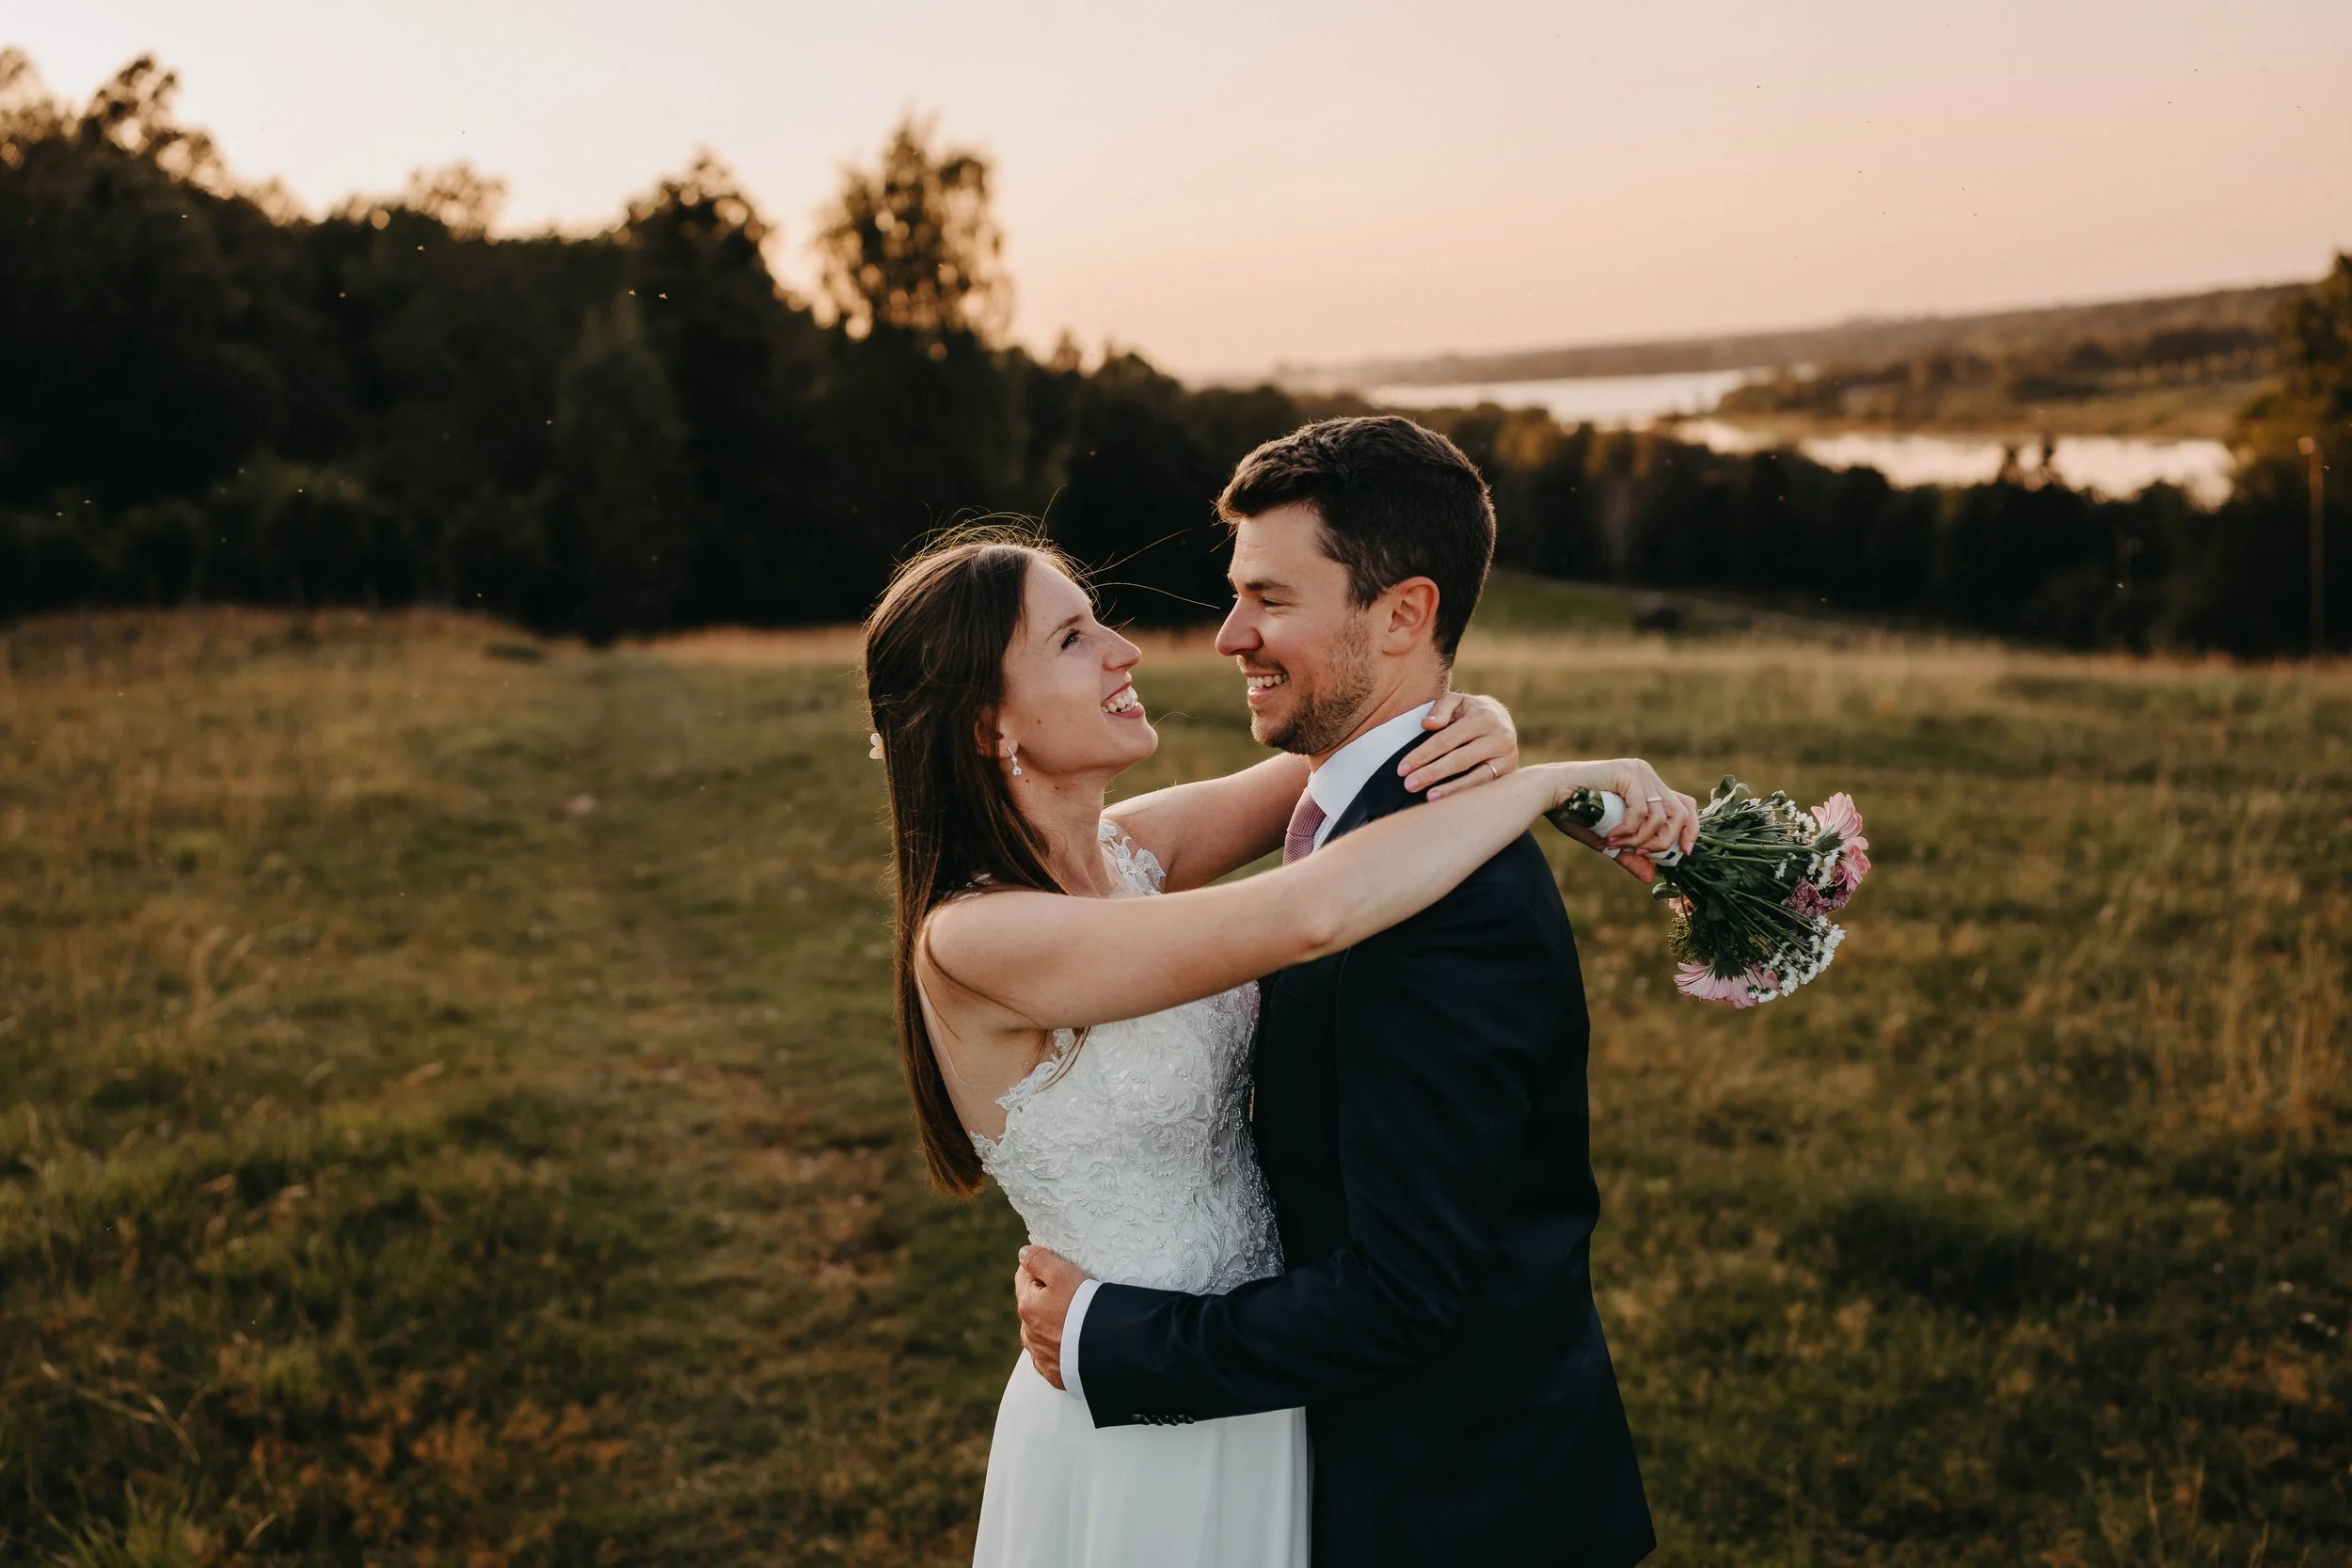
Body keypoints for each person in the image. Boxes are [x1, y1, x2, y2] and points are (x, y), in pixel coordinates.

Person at [866, 420, 1690, 1568]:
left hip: (1256, 1396)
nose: (1133, 648)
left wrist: (1476, 719)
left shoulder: (1122, 853)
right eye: (1071, 637)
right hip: (1134, 1408)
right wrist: (1552, 780)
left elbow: (1338, 764)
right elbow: (1311, 909)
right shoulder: (981, 937)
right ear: (986, 721)